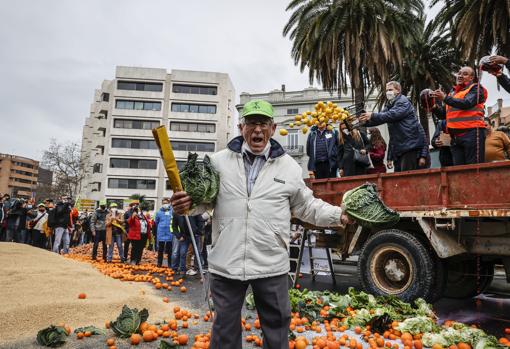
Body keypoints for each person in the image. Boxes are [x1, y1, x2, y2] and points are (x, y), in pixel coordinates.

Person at [171, 99, 352, 349]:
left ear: (273, 128)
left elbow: (306, 206)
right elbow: (203, 202)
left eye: (263, 123)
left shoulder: (288, 166)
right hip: (227, 262)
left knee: (277, 328)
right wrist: (187, 205)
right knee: (224, 330)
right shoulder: (218, 162)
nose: (258, 129)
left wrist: (338, 215)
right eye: (252, 123)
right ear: (241, 127)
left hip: (271, 262)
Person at [360, 81, 427, 172]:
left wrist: (372, 115)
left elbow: (392, 115)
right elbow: (381, 117)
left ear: (398, 90)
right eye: (386, 90)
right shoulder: (390, 104)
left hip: (409, 147)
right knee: (399, 180)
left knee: (407, 179)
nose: (388, 92)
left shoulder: (403, 101)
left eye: (390, 90)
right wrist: (364, 122)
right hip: (401, 149)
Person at [431, 66, 487, 165]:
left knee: (474, 169)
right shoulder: (452, 93)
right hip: (456, 138)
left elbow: (466, 103)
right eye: (459, 73)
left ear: (471, 78)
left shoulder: (476, 88)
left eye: (465, 74)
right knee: (459, 171)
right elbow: (444, 115)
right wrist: (433, 107)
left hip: (472, 134)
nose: (460, 76)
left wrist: (444, 98)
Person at [154, 198, 173, 268]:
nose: (165, 204)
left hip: (170, 234)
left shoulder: (172, 212)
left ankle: (170, 264)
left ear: (169, 203)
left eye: (166, 203)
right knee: (160, 250)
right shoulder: (158, 212)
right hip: (161, 233)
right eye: (163, 203)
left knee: (170, 250)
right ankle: (159, 263)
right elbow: (156, 222)